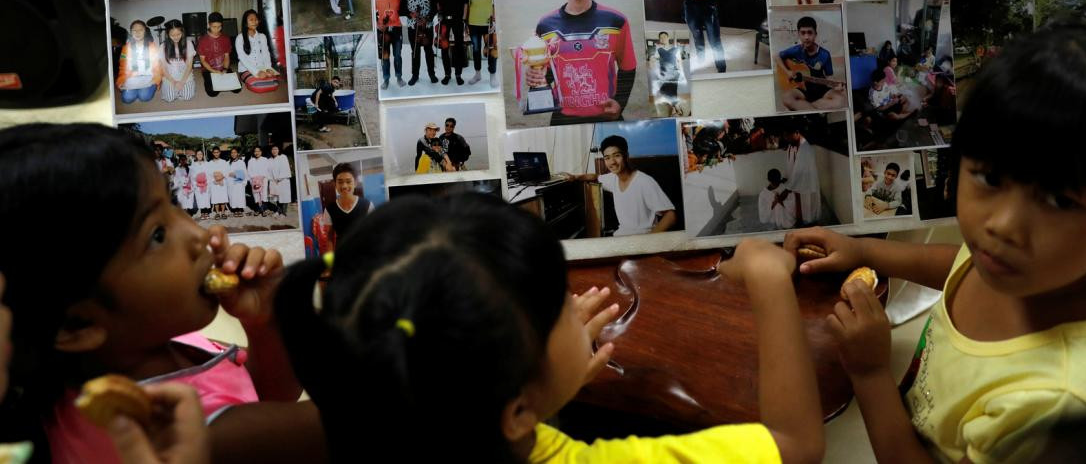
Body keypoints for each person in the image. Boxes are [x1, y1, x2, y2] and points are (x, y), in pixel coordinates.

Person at [786, 27, 1086, 463]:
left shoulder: (1056, 403)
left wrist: (870, 374)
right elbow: (959, 264)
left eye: (1059, 201)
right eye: (989, 178)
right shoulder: (1025, 265)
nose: (1002, 226)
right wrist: (866, 252)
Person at [274, 195, 824, 463]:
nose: (572, 303)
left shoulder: (369, 410)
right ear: (514, 413)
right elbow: (795, 445)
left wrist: (546, 377)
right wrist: (770, 279)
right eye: (558, 305)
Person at [0, 124, 321, 463]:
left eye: (173, 201)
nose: (201, 235)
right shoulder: (185, 435)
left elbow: (266, 396)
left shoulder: (151, 348)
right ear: (77, 324)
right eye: (156, 235)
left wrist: (264, 320)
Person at [526, 0, 637, 125]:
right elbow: (548, 74)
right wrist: (534, 76)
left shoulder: (616, 21)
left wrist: (620, 104)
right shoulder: (545, 26)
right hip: (562, 119)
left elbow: (627, 68)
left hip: (607, 116)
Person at [571, 134, 676, 236]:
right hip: (622, 238)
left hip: (642, 239)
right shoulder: (612, 178)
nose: (612, 162)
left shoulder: (644, 181)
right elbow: (595, 177)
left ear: (626, 156)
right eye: (607, 158)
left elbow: (671, 215)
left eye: (617, 156)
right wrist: (575, 177)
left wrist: (649, 240)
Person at [777, 16, 846, 112]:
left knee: (841, 100)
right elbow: (777, 56)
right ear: (798, 34)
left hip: (821, 89)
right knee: (786, 98)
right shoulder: (796, 50)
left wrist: (835, 85)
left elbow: (829, 77)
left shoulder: (825, 54)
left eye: (810, 33)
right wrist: (787, 71)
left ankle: (802, 107)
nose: (806, 37)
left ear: (815, 34)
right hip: (803, 89)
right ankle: (812, 110)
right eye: (803, 33)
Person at [405, 0, 440, 86]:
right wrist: (411, 14)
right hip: (412, 26)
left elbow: (435, 8)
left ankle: (432, 74)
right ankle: (415, 75)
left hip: (427, 26)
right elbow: (403, 9)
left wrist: (427, 18)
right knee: (415, 51)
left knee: (428, 50)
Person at [235, 9, 281, 93]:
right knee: (257, 85)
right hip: (246, 69)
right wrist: (256, 72)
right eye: (251, 20)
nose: (254, 22)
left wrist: (268, 68)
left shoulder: (262, 36)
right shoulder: (240, 38)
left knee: (275, 83)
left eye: (256, 19)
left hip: (261, 67)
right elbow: (242, 58)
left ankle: (260, 77)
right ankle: (246, 77)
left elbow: (266, 54)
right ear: (245, 22)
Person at [466, 0, 495, 86]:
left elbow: (496, 2)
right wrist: (465, 24)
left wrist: (494, 20)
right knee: (476, 50)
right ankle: (477, 75)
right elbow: (466, 5)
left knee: (491, 50)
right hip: (473, 24)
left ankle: (492, 76)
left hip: (487, 23)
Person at [116, 19, 161, 104]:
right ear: (131, 32)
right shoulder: (126, 48)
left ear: (145, 31)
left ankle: (142, 90)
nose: (137, 32)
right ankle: (136, 90)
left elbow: (157, 66)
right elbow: (122, 67)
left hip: (148, 77)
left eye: (141, 30)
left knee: (144, 97)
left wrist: (156, 79)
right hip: (132, 78)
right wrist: (121, 81)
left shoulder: (152, 47)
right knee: (127, 99)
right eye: (134, 30)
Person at [196, 11, 238, 98]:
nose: (217, 29)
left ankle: (222, 80)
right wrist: (214, 71)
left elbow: (227, 56)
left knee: (237, 89)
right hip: (208, 69)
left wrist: (225, 69)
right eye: (214, 27)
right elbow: (202, 61)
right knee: (212, 93)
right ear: (209, 25)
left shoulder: (226, 38)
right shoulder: (202, 40)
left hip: (222, 68)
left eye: (219, 27)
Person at [375, 0, 405, 88]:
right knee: (385, 56)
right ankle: (386, 79)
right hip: (383, 31)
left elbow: (404, 10)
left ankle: (399, 77)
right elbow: (372, 14)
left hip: (397, 28)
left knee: (397, 55)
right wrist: (378, 24)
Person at [159, 19, 196, 103]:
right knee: (170, 98)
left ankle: (187, 86)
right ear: (168, 35)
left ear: (182, 32)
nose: (176, 37)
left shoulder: (189, 43)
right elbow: (163, 68)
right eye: (172, 35)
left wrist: (182, 82)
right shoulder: (162, 47)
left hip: (185, 75)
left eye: (178, 34)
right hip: (170, 76)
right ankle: (174, 90)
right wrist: (174, 82)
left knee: (187, 96)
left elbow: (189, 66)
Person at [246, 145, 271, 216]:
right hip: (254, 180)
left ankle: (264, 210)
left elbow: (267, 170)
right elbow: (249, 171)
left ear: (261, 152)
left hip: (263, 180)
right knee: (256, 194)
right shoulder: (251, 161)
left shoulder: (265, 159)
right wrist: (253, 178)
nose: (257, 153)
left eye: (258, 151)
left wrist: (262, 177)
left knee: (263, 194)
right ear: (253, 152)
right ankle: (257, 209)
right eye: (255, 151)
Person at [268, 143, 292, 218]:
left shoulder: (283, 157)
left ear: (279, 150)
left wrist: (279, 179)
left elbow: (285, 169)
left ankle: (284, 213)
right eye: (273, 149)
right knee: (277, 197)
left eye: (276, 149)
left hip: (283, 181)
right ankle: (278, 211)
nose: (274, 151)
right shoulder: (270, 160)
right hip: (274, 181)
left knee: (284, 197)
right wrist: (271, 179)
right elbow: (268, 171)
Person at [207, 145, 230, 221]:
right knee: (215, 198)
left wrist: (221, 177)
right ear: (212, 153)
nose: (216, 154)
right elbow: (209, 173)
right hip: (214, 182)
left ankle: (223, 212)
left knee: (223, 197)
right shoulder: (209, 163)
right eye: (214, 152)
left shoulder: (224, 162)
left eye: (217, 152)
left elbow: (226, 172)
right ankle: (217, 212)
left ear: (219, 153)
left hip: (222, 182)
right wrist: (215, 178)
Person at [228, 146, 248, 218]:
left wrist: (235, 174)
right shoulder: (229, 163)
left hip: (239, 183)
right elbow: (228, 173)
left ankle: (240, 209)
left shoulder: (241, 162)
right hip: (231, 183)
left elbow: (244, 173)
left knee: (240, 196)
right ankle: (235, 210)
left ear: (237, 153)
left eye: (235, 152)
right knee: (233, 197)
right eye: (232, 153)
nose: (233, 154)